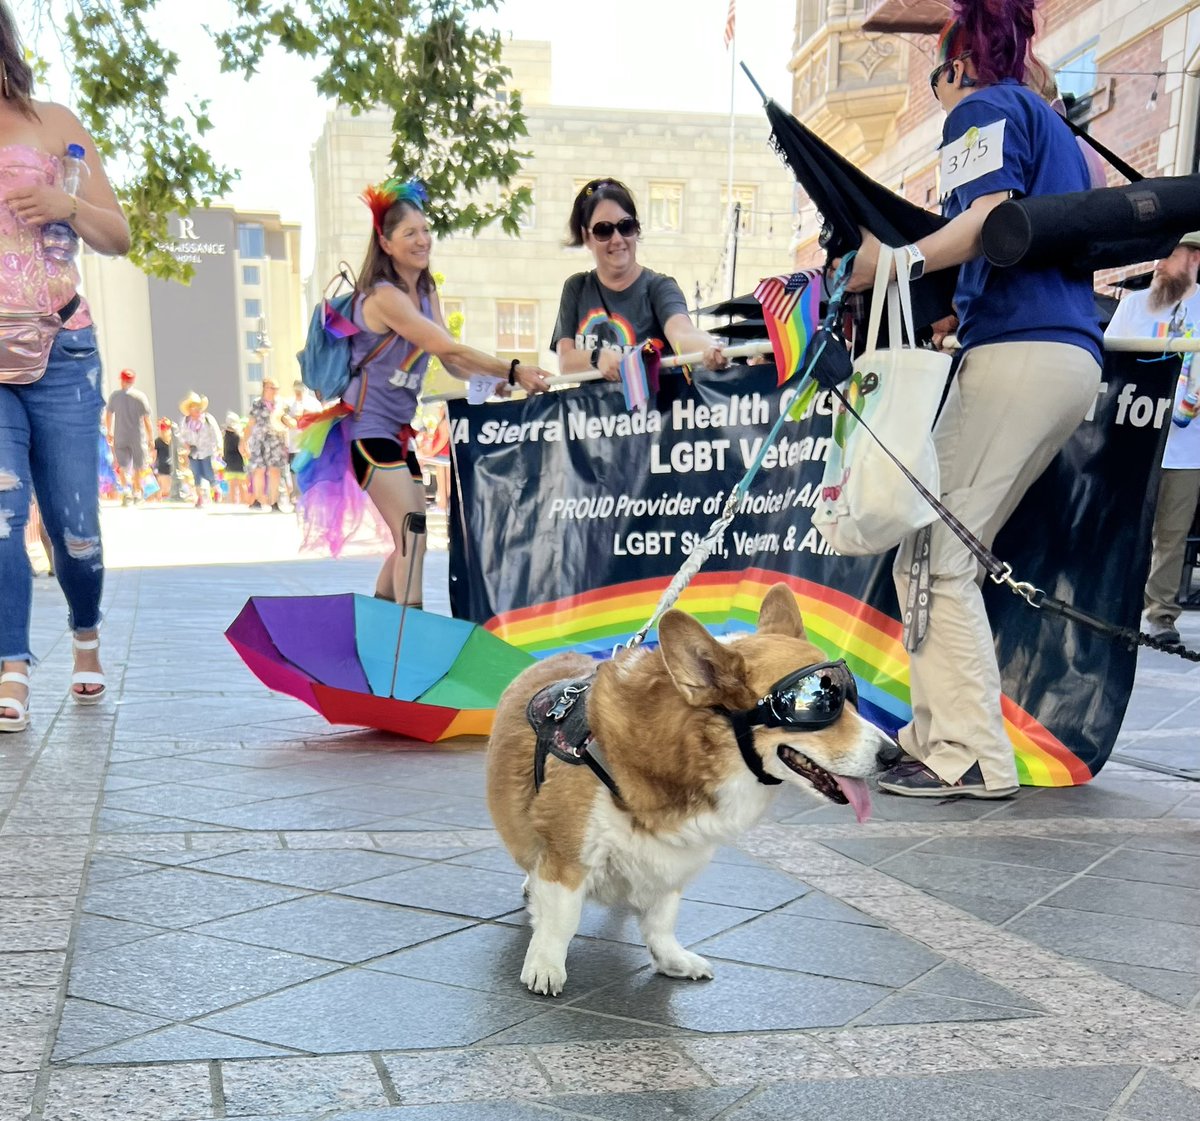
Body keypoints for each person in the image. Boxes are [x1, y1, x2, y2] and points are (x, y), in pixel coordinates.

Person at [843, 1, 1103, 798]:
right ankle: (943, 738)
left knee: (933, 551)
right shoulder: (1055, 128)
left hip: (1020, 352)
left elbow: (987, 218)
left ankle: (965, 753)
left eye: (935, 76)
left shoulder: (984, 107)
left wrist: (891, 265)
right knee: (944, 549)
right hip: (1066, 354)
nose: (936, 92)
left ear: (960, 65)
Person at [0, 1, 131, 731]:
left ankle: (86, 633)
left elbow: (119, 234)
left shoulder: (55, 123)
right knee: (1, 513)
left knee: (75, 528)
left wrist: (61, 202)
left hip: (62, 349)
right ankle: (10, 663)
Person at [330, 176, 551, 604]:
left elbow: (450, 362)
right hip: (365, 431)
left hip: (397, 432)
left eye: (426, 230)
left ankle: (379, 628)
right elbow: (444, 346)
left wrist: (496, 381)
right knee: (412, 528)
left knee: (410, 534)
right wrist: (514, 368)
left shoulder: (426, 289)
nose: (422, 240)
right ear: (386, 243)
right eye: (409, 233)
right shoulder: (383, 296)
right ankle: (409, 634)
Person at [1105, 232, 1200, 645]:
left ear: (1194, 259)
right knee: (1122, 526)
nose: (1158, 263)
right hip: (1132, 439)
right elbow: (1108, 367)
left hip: (1187, 444)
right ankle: (1110, 606)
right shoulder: (1131, 306)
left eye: (1169, 254)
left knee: (1172, 535)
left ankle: (1160, 616)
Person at [552, 178, 728, 380]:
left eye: (625, 226)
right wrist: (597, 357)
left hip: (654, 410)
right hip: (592, 410)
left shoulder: (659, 287)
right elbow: (566, 362)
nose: (617, 239)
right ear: (586, 236)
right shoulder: (577, 287)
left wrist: (710, 347)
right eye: (604, 230)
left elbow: (682, 334)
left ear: (636, 229)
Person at [104, 367, 152, 504]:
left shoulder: (115, 396)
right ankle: (137, 493)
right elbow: (146, 419)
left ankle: (126, 491)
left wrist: (109, 431)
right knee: (138, 465)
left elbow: (108, 414)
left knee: (122, 464)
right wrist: (150, 437)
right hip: (138, 435)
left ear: (122, 381)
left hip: (120, 435)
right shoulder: (140, 396)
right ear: (133, 381)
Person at [242, 377, 290, 511]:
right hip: (259, 441)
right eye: (271, 387)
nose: (274, 391)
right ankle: (258, 500)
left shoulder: (282, 404)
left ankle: (274, 501)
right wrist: (244, 441)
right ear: (264, 389)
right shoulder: (257, 404)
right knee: (259, 470)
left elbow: (287, 421)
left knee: (275, 470)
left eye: (276, 388)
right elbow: (250, 423)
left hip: (276, 440)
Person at [178, 391, 221, 508]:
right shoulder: (185, 421)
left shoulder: (207, 419)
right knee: (196, 474)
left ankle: (216, 489)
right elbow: (181, 435)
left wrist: (219, 447)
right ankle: (200, 498)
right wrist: (185, 444)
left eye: (198, 407)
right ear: (189, 409)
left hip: (207, 451)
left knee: (208, 473)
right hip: (193, 452)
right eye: (193, 407)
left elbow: (216, 433)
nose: (196, 410)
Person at [285, 379, 317, 501]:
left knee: (308, 470)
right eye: (296, 390)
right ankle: (297, 497)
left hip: (309, 444)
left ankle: (309, 497)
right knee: (295, 470)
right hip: (294, 444)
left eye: (301, 390)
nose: (298, 393)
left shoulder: (313, 403)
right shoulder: (289, 404)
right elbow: (283, 419)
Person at [221, 411, 248, 506]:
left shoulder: (224, 435)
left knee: (231, 485)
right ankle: (244, 502)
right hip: (239, 463)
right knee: (242, 485)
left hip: (228, 463)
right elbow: (242, 450)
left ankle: (233, 503)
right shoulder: (239, 436)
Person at [152, 417, 173, 500]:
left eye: (163, 428)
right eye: (160, 428)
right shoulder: (157, 442)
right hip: (162, 470)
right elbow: (153, 456)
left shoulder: (173, 441)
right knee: (162, 491)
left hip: (171, 469)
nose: (161, 430)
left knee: (167, 491)